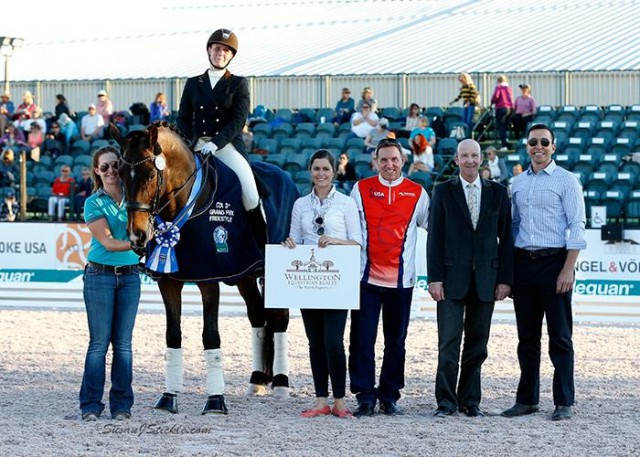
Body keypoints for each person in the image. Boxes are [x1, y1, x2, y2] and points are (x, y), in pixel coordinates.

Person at [502, 124, 586, 422]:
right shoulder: (517, 184)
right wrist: (510, 273)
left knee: (560, 337)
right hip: (524, 264)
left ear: (553, 146)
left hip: (555, 264)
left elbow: (577, 227)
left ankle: (564, 401)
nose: (538, 146)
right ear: (527, 147)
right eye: (533, 142)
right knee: (526, 338)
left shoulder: (567, 181)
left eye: (544, 142)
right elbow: (513, 228)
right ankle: (527, 400)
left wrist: (567, 269)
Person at [428, 138, 513, 418]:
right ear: (456, 159)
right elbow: (435, 238)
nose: (470, 160)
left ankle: (470, 401)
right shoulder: (442, 191)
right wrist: (434, 278)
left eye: (474, 155)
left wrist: (504, 279)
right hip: (451, 279)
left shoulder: (498, 193)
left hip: (487, 280)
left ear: (481, 159)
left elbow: (506, 239)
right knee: (448, 344)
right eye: (464, 156)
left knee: (478, 345)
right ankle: (446, 402)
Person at [349, 137, 430, 417]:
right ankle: (365, 396)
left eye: (394, 159)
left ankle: (389, 396)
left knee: (396, 341)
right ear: (375, 162)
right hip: (366, 280)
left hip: (401, 282)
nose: (389, 164)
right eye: (383, 159)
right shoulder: (360, 189)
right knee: (362, 339)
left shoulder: (418, 193)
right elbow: (349, 229)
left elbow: (433, 227)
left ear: (403, 161)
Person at [282, 149, 362, 419]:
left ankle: (339, 400)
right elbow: (293, 238)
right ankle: (320, 400)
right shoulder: (300, 204)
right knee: (314, 341)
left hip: (337, 280)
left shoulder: (346, 203)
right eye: (316, 169)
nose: (321, 174)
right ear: (310, 171)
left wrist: (336, 241)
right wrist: (290, 244)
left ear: (334, 171)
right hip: (309, 280)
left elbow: (358, 240)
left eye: (326, 169)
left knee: (333, 341)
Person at [176, 28, 267, 246]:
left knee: (251, 194)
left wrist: (215, 144)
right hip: (196, 143)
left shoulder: (239, 83)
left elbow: (238, 120)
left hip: (226, 146)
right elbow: (183, 117)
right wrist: (188, 143)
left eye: (226, 50)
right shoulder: (193, 83)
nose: (221, 53)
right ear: (209, 50)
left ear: (231, 55)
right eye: (217, 48)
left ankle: (262, 249)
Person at [79, 145, 141, 421]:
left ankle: (122, 406)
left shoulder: (136, 197)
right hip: (99, 275)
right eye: (104, 167)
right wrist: (140, 246)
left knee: (124, 344)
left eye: (115, 165)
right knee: (99, 344)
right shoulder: (93, 202)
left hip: (130, 276)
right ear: (97, 171)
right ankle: (90, 405)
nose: (111, 171)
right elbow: (106, 241)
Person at [490, 75, 514, 151]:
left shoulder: (499, 87)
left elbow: (496, 96)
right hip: (510, 108)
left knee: (501, 127)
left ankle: (504, 145)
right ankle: (506, 139)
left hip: (501, 108)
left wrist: (492, 102)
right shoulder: (509, 88)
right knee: (506, 126)